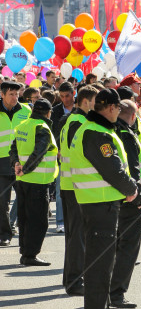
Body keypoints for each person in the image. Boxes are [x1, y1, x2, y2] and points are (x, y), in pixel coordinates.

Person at [70, 88, 138, 309]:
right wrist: (132, 189)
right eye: (118, 108)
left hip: (100, 202)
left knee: (104, 262)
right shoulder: (97, 133)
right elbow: (112, 169)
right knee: (99, 264)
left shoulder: (95, 129)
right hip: (99, 204)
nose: (119, 112)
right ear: (110, 107)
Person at [110, 99, 141, 309]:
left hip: (114, 197)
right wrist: (136, 195)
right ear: (134, 117)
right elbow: (133, 169)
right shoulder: (127, 135)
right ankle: (116, 293)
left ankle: (111, 291)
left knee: (116, 245)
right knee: (128, 248)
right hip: (131, 198)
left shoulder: (111, 132)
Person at [59, 86, 98, 295]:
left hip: (70, 184)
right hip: (75, 186)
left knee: (75, 235)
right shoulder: (79, 122)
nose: (97, 105)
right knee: (78, 237)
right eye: (95, 101)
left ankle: (70, 278)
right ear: (85, 102)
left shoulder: (73, 120)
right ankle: (75, 281)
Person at [11, 98, 58, 266]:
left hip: (22, 180)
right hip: (38, 180)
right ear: (48, 112)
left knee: (24, 218)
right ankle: (30, 255)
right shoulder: (42, 128)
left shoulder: (23, 125)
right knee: (38, 220)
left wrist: (16, 164)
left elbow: (13, 149)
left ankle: (25, 252)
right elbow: (39, 152)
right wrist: (26, 168)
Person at [0, 81, 31, 247]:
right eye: (11, 94)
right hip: (2, 163)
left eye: (17, 94)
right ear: (2, 94)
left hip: (22, 163)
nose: (15, 97)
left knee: (25, 201)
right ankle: (5, 234)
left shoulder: (26, 111)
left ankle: (25, 236)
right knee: (2, 203)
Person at [51, 81, 75, 234]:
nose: (65, 99)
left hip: (78, 154)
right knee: (60, 190)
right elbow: (52, 132)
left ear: (73, 94)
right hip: (61, 156)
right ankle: (60, 221)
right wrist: (57, 149)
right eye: (62, 96)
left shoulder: (80, 109)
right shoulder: (55, 111)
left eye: (67, 96)